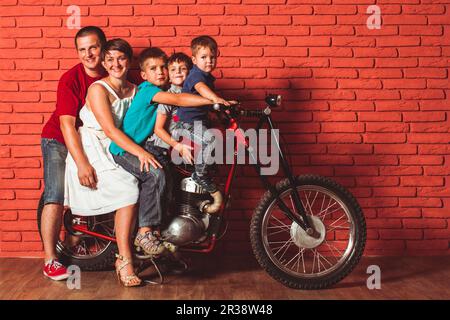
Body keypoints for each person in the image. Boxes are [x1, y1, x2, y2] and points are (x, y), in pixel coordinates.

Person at [65, 38, 161, 287]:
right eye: (109, 59)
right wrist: (140, 152)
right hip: (94, 145)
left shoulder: (135, 89)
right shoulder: (98, 89)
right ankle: (125, 259)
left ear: (129, 61)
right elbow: (108, 129)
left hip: (117, 145)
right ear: (104, 63)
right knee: (128, 188)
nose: (115, 63)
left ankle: (156, 240)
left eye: (120, 58)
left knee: (155, 174)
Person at [110, 48, 213, 257]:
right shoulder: (148, 90)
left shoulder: (165, 90)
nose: (160, 72)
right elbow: (179, 101)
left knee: (170, 179)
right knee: (154, 174)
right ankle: (145, 232)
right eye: (153, 68)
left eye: (162, 68)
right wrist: (214, 101)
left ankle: (162, 235)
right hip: (124, 149)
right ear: (144, 75)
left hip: (141, 147)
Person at [40, 26, 107, 281]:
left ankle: (77, 239)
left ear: (103, 47)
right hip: (58, 138)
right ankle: (50, 259)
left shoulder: (112, 73)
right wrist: (81, 164)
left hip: (91, 140)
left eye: (93, 47)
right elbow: (67, 125)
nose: (88, 54)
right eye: (82, 49)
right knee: (56, 194)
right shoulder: (70, 79)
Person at [175, 35, 233, 196]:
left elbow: (207, 101)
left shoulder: (208, 78)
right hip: (186, 124)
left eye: (212, 57)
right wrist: (216, 98)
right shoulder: (196, 75)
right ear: (194, 60)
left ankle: (207, 169)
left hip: (199, 122)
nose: (209, 61)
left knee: (219, 137)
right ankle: (199, 174)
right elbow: (201, 89)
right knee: (211, 139)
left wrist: (225, 105)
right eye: (204, 57)